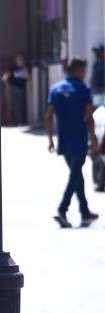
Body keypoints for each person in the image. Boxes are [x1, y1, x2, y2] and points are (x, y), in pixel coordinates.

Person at [46, 58, 100, 227]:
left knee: (76, 175)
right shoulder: (83, 89)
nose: (85, 73)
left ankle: (85, 212)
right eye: (84, 70)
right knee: (75, 175)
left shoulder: (55, 89)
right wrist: (93, 138)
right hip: (79, 139)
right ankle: (62, 209)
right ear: (78, 70)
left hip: (63, 140)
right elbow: (89, 116)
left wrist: (50, 139)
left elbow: (48, 116)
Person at [3, 52, 29, 127]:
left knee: (19, 106)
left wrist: (24, 68)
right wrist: (7, 85)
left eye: (21, 58)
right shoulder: (12, 67)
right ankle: (11, 122)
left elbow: (28, 77)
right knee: (11, 105)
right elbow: (5, 77)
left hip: (20, 88)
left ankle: (19, 122)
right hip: (12, 88)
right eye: (18, 58)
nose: (19, 60)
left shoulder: (25, 67)